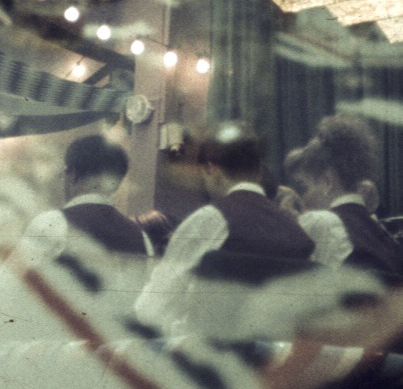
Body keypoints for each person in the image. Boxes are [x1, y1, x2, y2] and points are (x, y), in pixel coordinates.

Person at [134, 122, 315, 335]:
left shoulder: (211, 220)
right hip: (280, 360)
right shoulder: (298, 233)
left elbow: (151, 309)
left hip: (211, 359)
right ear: (257, 170)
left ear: (210, 167)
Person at [287, 115, 403, 285]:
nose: (305, 196)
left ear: (327, 181)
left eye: (307, 186)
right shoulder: (380, 232)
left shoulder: (320, 221)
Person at [18, 135, 152, 262]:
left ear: (72, 174)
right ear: (116, 184)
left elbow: (11, 282)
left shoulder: (51, 222)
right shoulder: (141, 237)